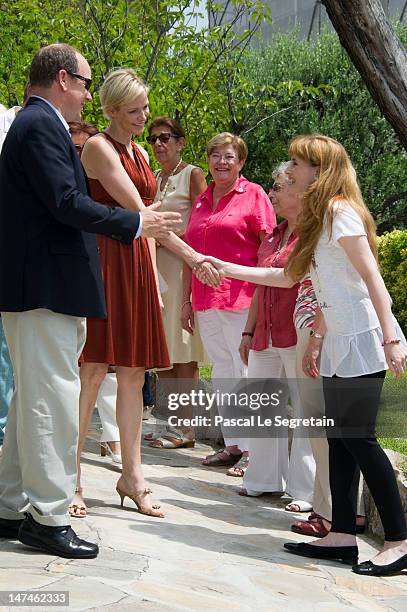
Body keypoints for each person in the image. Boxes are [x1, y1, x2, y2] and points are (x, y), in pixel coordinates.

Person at [0, 44, 182, 559]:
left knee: (30, 404)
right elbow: (64, 202)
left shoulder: (39, 125)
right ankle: (49, 517)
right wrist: (133, 222)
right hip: (44, 288)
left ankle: (10, 505)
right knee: (51, 403)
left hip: (44, 287)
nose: (86, 92)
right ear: (62, 78)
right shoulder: (40, 125)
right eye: (84, 82)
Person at [72, 69, 219, 519]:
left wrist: (154, 278)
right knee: (93, 371)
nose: (144, 117)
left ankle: (132, 476)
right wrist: (193, 259)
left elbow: (147, 228)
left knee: (135, 373)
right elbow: (141, 215)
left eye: (146, 107)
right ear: (111, 110)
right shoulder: (99, 148)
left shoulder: (138, 151)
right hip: (103, 262)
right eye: (134, 110)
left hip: (135, 265)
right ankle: (69, 476)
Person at [280, 134, 407, 576]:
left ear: (320, 169)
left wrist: (391, 339)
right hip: (338, 341)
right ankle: (340, 536)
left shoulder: (339, 211)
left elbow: (372, 279)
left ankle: (398, 540)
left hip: (365, 339)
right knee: (339, 438)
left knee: (359, 438)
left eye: (297, 162)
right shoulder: (322, 216)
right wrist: (317, 336)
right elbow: (332, 288)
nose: (290, 167)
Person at [184, 132, 276, 476]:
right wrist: (185, 301)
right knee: (223, 371)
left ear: (241, 162)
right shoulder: (201, 199)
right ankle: (234, 443)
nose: (221, 162)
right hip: (205, 299)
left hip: (243, 298)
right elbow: (189, 254)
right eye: (215, 156)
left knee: (247, 373)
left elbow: (270, 246)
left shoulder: (254, 195)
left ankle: (256, 450)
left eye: (229, 157)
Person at [234, 165, 315, 508]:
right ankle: (263, 479)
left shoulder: (312, 234)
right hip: (265, 333)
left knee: (305, 410)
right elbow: (260, 285)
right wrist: (248, 331)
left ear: (300, 192)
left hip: (297, 331)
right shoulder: (272, 235)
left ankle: (306, 491)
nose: (272, 194)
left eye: (280, 187)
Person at [146, 116, 207, 449]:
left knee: (184, 351)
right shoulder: (153, 177)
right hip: (155, 270)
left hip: (180, 268)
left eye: (165, 137)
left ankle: (186, 428)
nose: (158, 144)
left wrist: (168, 236)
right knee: (162, 350)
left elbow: (204, 221)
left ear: (181, 142)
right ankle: (169, 422)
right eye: (153, 138)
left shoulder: (192, 174)